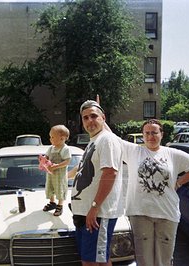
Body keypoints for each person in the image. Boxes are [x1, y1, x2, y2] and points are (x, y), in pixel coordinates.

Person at [122, 119, 189, 266]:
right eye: (147, 133)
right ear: (142, 135)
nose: (150, 136)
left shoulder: (173, 154)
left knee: (164, 261)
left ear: (162, 134)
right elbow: (112, 139)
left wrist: (178, 182)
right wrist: (100, 115)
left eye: (154, 132)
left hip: (167, 214)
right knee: (144, 260)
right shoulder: (133, 151)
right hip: (140, 213)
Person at [70, 100, 124, 266]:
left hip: (97, 213)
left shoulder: (106, 139)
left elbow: (110, 173)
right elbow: (80, 170)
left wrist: (94, 207)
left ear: (103, 117)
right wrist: (54, 170)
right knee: (97, 259)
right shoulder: (94, 141)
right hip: (86, 212)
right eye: (85, 118)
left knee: (91, 262)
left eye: (93, 116)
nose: (89, 121)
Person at [42, 125, 71, 216]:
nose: (50, 139)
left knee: (60, 188)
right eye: (50, 137)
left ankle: (60, 205)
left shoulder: (65, 149)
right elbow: (46, 155)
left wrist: (57, 166)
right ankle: (52, 203)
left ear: (62, 138)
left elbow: (67, 161)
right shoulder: (51, 148)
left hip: (59, 175)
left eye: (53, 137)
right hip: (50, 173)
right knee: (50, 187)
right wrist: (44, 159)